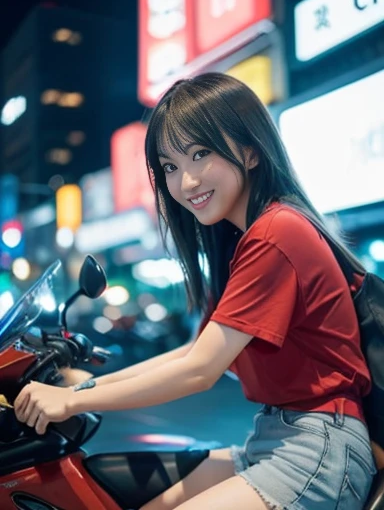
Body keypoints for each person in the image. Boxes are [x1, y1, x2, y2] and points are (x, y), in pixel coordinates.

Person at [14, 73, 377, 510]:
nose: (185, 182)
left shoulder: (277, 232)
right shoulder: (249, 241)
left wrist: (72, 400)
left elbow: (200, 370)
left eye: (200, 154)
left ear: (250, 150)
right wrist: (85, 386)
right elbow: (191, 353)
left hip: (318, 448)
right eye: (170, 166)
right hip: (278, 437)